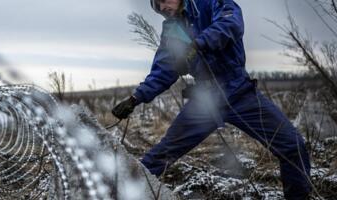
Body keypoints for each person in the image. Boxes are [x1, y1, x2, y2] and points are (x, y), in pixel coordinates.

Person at [111, 0, 311, 199]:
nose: (162, 7)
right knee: (162, 155)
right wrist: (135, 99)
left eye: (164, 0)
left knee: (292, 145)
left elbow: (231, 23)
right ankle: (117, 192)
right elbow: (163, 70)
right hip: (205, 102)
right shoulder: (171, 29)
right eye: (156, 5)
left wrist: (198, 45)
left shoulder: (210, 3)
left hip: (239, 93)